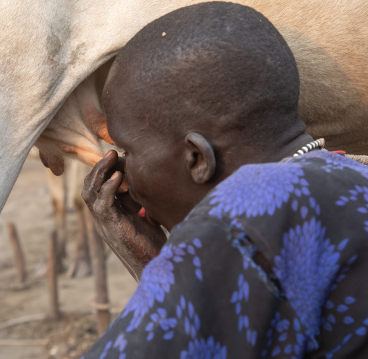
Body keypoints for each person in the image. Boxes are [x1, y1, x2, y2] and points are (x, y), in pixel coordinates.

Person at [80, 2, 368, 358]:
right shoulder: (354, 178)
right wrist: (160, 265)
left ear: (198, 160)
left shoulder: (241, 220)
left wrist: (170, 269)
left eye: (128, 150)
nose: (123, 170)